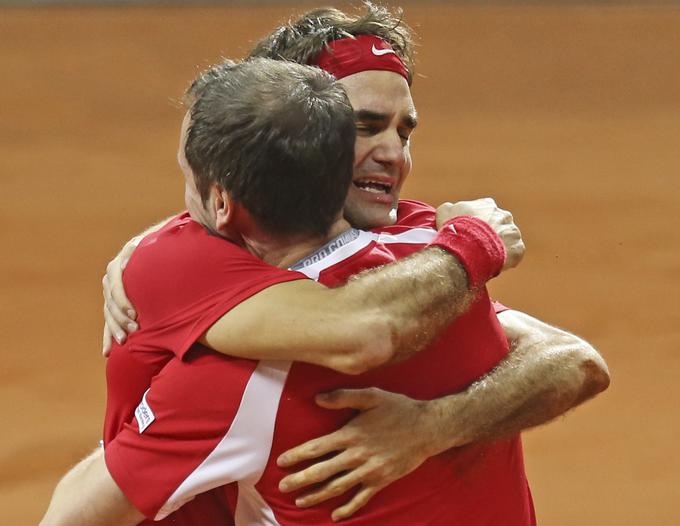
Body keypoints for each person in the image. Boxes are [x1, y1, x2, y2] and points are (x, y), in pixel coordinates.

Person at [41, 57, 528, 526]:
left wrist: (432, 425)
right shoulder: (446, 270)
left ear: (222, 202)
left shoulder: (241, 375)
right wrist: (473, 242)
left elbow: (78, 514)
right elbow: (577, 362)